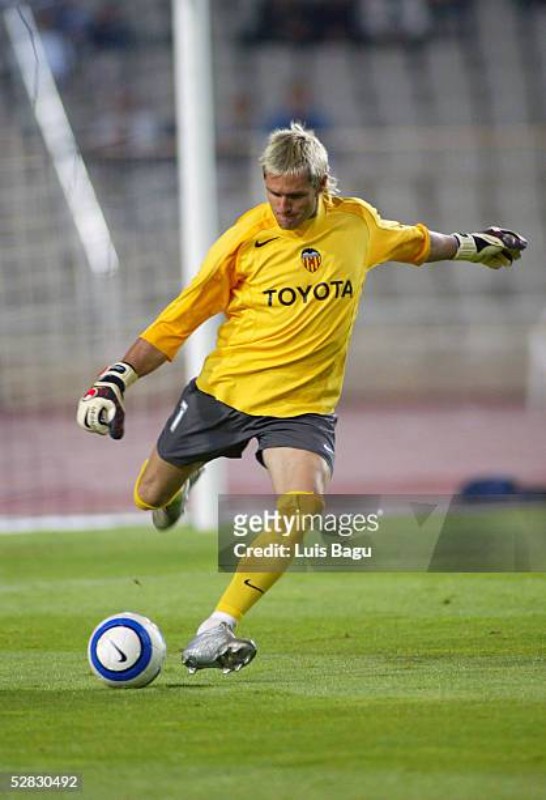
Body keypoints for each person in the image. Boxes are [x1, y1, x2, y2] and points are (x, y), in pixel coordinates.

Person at [77, 122, 527, 675]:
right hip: (225, 393)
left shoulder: (354, 223)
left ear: (321, 185)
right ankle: (180, 486)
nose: (283, 206)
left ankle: (218, 626)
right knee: (148, 495)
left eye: (295, 195)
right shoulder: (245, 240)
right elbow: (181, 316)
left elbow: (416, 242)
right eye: (274, 193)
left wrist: (476, 248)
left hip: (303, 408)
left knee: (303, 505)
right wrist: (116, 377)